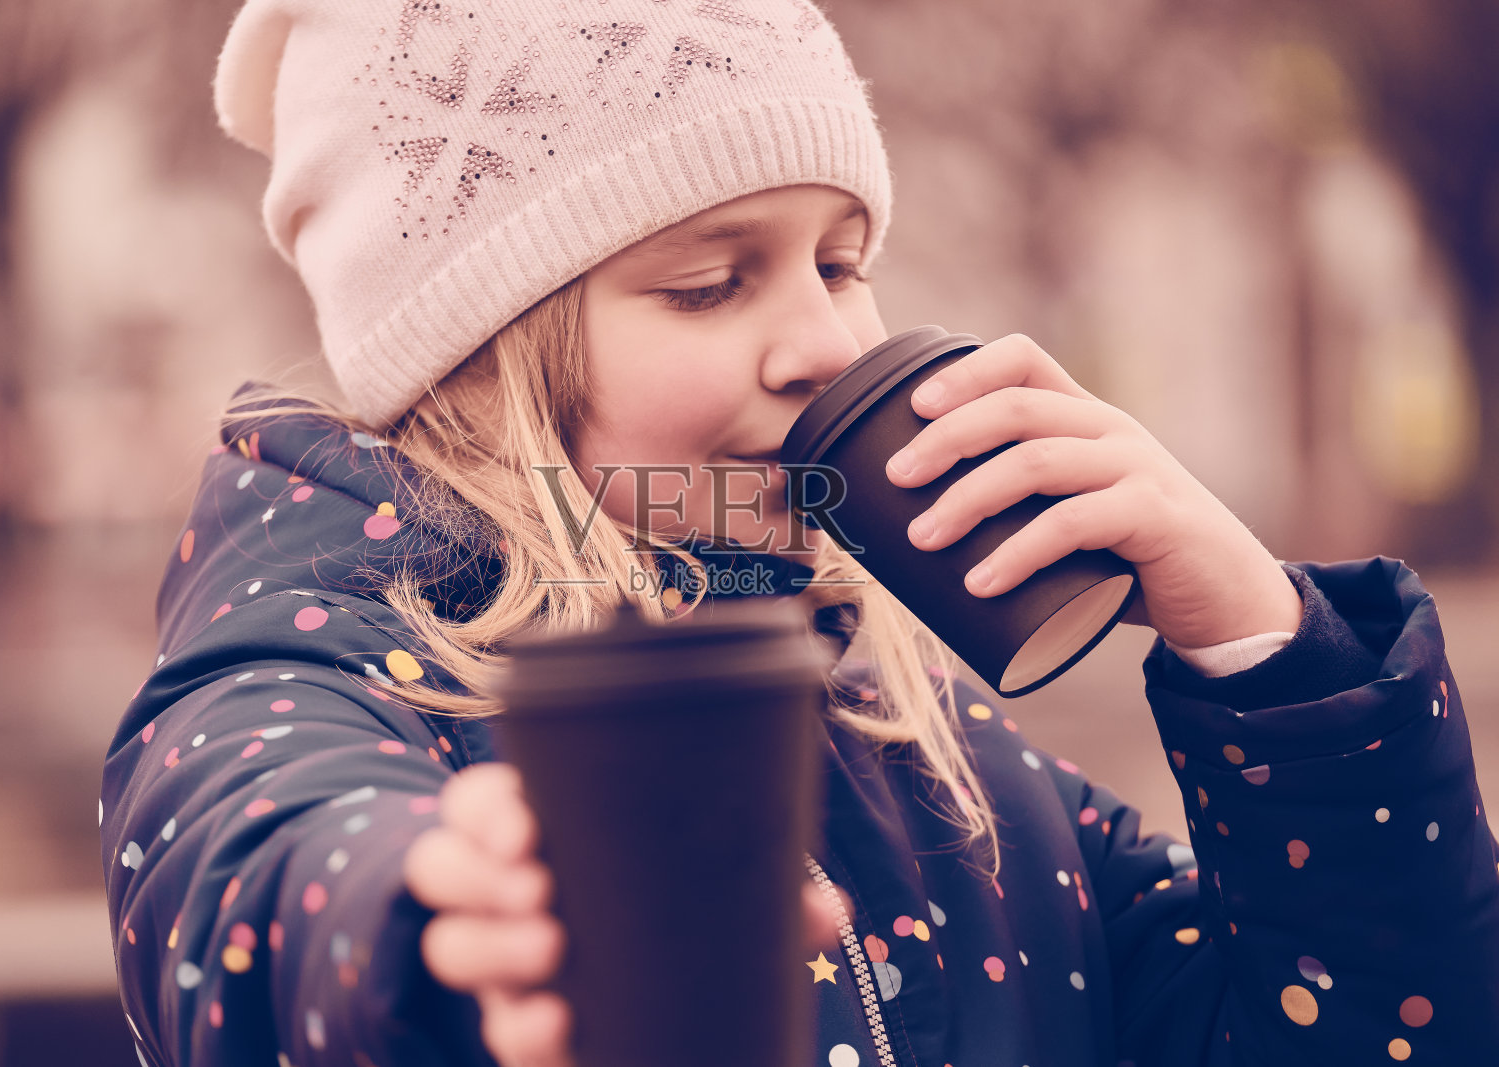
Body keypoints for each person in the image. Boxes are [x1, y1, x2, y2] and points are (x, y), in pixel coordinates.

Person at [100, 1, 1499, 1064]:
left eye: (844, 264)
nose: (825, 345)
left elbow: (1363, 1024)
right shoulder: (306, 675)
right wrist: (431, 926)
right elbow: (251, 866)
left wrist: (1270, 650)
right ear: (474, 357)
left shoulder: (923, 741)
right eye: (711, 284)